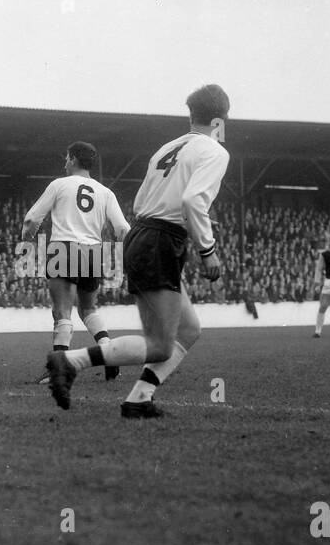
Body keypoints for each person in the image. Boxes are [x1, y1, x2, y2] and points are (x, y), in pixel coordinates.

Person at [45, 84, 229, 418]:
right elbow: (192, 200)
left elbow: (144, 201)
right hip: (162, 240)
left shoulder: (166, 149)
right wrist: (207, 250)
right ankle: (69, 361)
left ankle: (139, 399)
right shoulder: (215, 151)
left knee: (188, 330)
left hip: (145, 233)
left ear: (191, 114)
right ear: (219, 121)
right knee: (159, 343)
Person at [21, 141, 131, 382]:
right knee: (88, 308)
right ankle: (108, 351)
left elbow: (31, 220)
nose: (64, 162)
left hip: (64, 248)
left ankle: (59, 369)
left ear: (72, 159)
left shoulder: (59, 185)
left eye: (66, 158)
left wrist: (26, 240)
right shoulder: (105, 192)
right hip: (94, 251)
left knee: (62, 311)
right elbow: (123, 228)